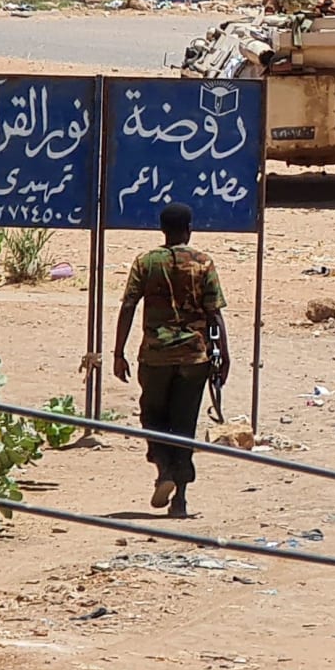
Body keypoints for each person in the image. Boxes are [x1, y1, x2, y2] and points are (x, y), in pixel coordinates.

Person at [114, 203, 230, 518]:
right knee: (184, 424)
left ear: (162, 229)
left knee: (152, 417)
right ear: (189, 229)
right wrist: (224, 355)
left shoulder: (146, 262)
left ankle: (164, 466)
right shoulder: (203, 263)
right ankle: (180, 498)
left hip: (155, 355)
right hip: (194, 356)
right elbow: (214, 313)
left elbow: (128, 307)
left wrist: (118, 353)